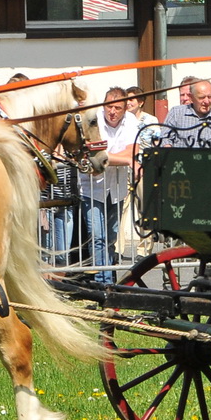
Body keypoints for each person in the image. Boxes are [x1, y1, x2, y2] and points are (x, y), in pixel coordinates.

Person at [82, 88, 139, 282]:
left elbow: (132, 152)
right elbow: (95, 157)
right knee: (97, 237)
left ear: (125, 108)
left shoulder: (130, 121)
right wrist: (124, 159)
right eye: (109, 106)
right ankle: (102, 282)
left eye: (117, 108)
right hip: (92, 187)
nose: (112, 111)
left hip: (116, 188)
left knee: (111, 237)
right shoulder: (94, 119)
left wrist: (110, 157)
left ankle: (109, 281)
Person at [162, 78, 211, 147]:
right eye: (202, 97)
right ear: (192, 98)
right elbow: (165, 138)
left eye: (209, 97)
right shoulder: (176, 113)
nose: (207, 101)